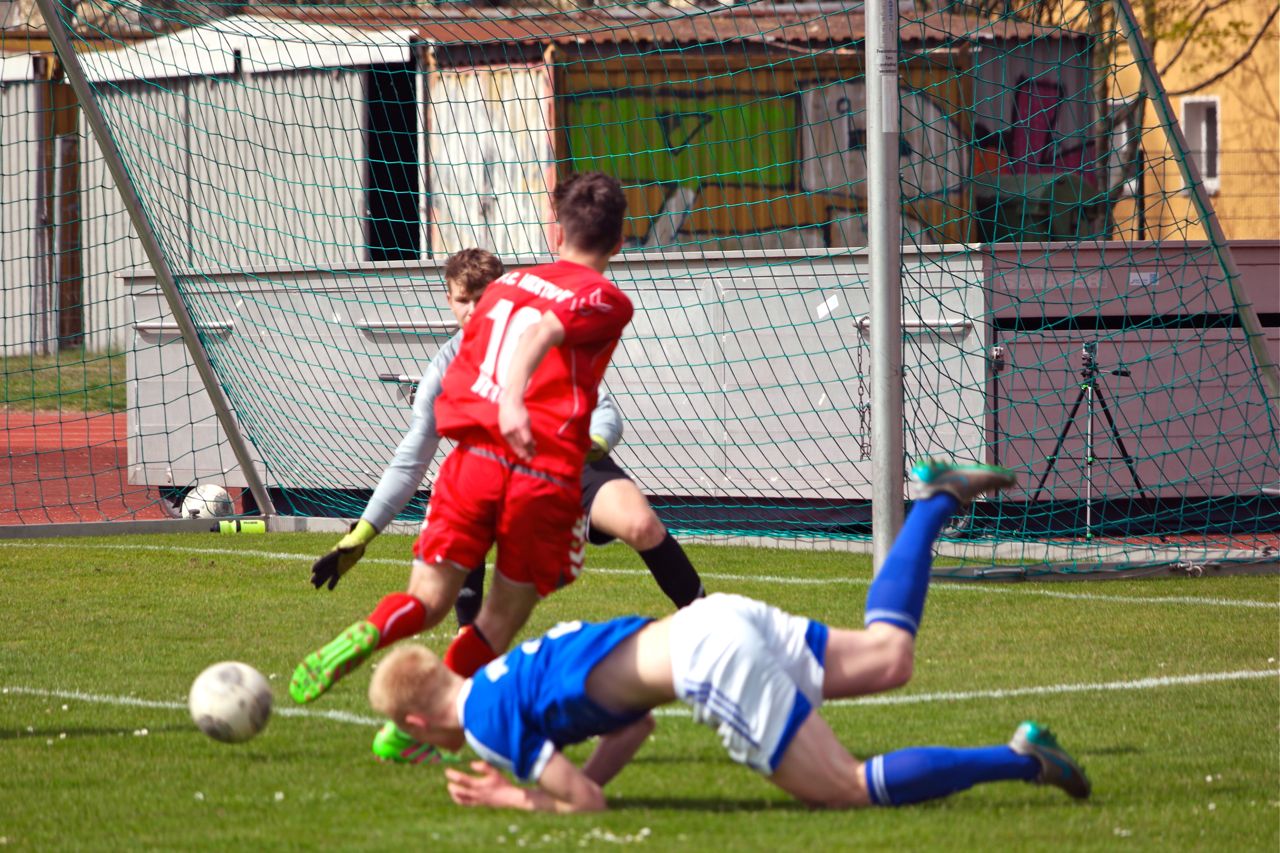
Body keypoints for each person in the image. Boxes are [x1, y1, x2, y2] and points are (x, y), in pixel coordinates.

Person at [368, 459, 1092, 812]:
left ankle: (1023, 760)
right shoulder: (501, 679)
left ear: (417, 722)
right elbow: (636, 724)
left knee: (844, 789)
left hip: (709, 658)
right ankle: (933, 502)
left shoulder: (486, 723)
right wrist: (584, 780)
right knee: (888, 656)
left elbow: (584, 807)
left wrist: (510, 797)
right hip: (713, 618)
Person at [296, 245, 703, 761]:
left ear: (502, 293)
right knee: (492, 620)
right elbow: (412, 455)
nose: (472, 310)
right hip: (522, 474)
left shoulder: (530, 333)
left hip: (562, 459)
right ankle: (443, 710)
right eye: (462, 300)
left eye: (481, 297)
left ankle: (702, 620)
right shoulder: (452, 360)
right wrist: (363, 530)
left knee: (640, 525)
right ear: (448, 301)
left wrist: (583, 449)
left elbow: (604, 413)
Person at [291, 171, 638, 723]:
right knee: (496, 623)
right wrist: (522, 405)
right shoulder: (606, 299)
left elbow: (415, 451)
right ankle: (427, 722)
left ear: (555, 233)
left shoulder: (508, 288)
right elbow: (547, 336)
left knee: (426, 602)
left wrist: (363, 532)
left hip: (469, 463)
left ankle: (372, 630)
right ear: (620, 241)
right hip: (536, 472)